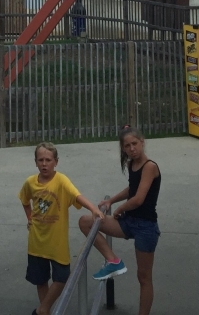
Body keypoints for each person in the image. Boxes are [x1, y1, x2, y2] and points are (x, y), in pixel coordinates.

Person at [79, 126, 161, 315]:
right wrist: (111, 201)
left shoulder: (150, 166)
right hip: (129, 223)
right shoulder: (133, 165)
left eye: (134, 144)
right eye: (127, 146)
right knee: (86, 221)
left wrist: (119, 209)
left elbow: (138, 198)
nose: (132, 148)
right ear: (123, 149)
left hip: (146, 228)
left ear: (142, 142)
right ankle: (113, 260)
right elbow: (131, 189)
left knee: (144, 277)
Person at [20, 142, 103, 315]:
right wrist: (29, 218)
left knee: (62, 277)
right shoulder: (30, 182)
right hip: (37, 242)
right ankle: (46, 312)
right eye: (40, 160)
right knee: (40, 280)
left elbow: (76, 195)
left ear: (56, 162)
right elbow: (24, 200)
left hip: (56, 242)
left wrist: (93, 209)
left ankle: (42, 310)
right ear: (35, 162)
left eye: (48, 160)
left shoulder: (61, 181)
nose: (44, 164)